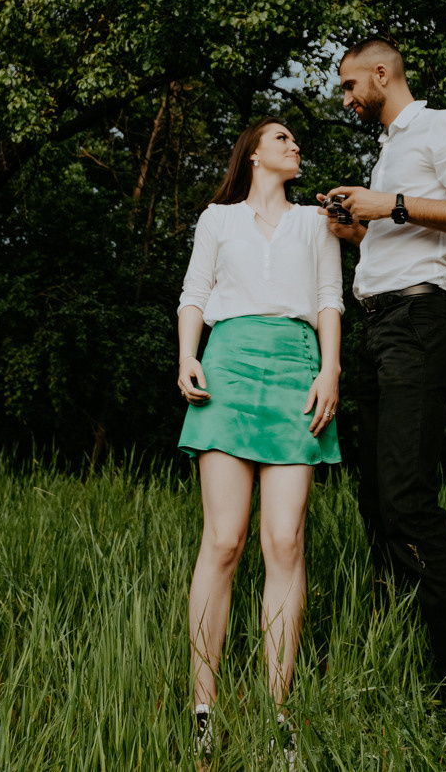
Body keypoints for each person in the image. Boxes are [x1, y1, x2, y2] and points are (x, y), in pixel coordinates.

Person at [316, 36, 446, 760]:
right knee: (376, 501)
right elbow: (394, 237)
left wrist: (390, 202)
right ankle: (437, 678)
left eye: (347, 85)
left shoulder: (441, 127)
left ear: (380, 72)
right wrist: (354, 226)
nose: (345, 98)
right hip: (379, 326)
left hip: (422, 320)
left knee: (408, 500)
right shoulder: (386, 153)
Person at [175, 117, 344, 764]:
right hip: (230, 362)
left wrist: (330, 368)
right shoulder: (217, 219)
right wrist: (187, 355)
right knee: (224, 539)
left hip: (296, 369)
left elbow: (329, 299)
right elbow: (195, 292)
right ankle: (203, 708)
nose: (294, 144)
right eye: (282, 137)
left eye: (296, 139)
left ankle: (279, 712)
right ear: (252, 154)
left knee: (284, 540)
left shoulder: (315, 222)